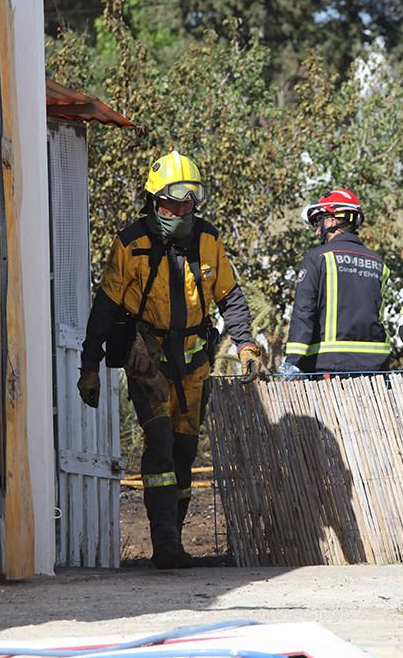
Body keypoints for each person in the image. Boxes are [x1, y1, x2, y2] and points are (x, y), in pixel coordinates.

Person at [76, 151, 264, 569]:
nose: (183, 210)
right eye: (174, 202)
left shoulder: (208, 240)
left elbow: (229, 297)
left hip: (195, 362)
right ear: (154, 200)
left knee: (184, 449)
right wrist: (89, 365)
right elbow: (104, 309)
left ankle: (174, 537)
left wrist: (246, 344)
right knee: (159, 445)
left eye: (190, 202)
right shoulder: (130, 244)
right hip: (147, 358)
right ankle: (164, 542)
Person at [280, 189, 392, 375]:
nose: (317, 231)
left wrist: (293, 362)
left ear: (332, 220)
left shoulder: (317, 258)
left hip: (330, 365)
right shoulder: (378, 262)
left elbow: (304, 312)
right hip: (376, 367)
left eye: (318, 222)